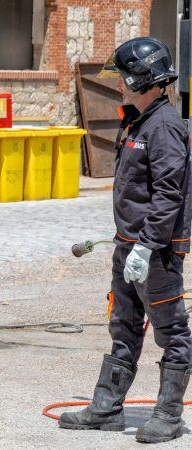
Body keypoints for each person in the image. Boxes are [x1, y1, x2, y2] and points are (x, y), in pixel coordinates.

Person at [58, 37, 192, 444]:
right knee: (124, 326)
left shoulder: (165, 126)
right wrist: (130, 245)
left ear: (144, 79)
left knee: (172, 333)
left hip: (156, 253)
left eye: (124, 77)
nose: (119, 84)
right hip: (128, 245)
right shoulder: (136, 120)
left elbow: (169, 193)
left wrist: (149, 245)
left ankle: (168, 416)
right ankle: (106, 408)